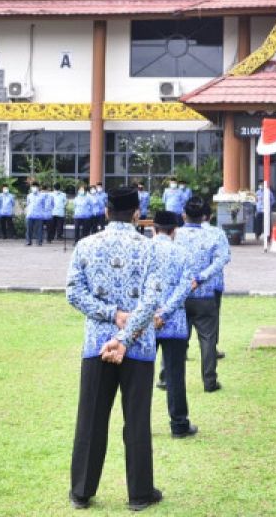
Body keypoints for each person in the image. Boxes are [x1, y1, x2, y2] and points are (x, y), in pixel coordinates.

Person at [65, 186, 164, 511]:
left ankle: (81, 490)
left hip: (97, 343)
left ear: (106, 211)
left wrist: (110, 316)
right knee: (136, 419)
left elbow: (73, 292)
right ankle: (139, 493)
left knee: (91, 418)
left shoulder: (86, 245)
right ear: (137, 214)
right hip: (138, 346)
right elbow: (151, 299)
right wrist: (125, 335)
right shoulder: (150, 248)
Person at [151, 210, 198, 438]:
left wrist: (152, 314)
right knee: (175, 375)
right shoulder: (182, 253)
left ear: (153, 228)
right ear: (174, 231)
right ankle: (179, 424)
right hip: (174, 323)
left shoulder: (143, 251)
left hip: (145, 322)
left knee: (139, 377)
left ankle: (138, 426)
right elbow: (185, 287)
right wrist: (166, 312)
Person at [178, 196, 229, 393]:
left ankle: (168, 377)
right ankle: (209, 381)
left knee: (176, 338)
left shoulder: (176, 235)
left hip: (179, 295)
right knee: (208, 339)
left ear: (184, 215)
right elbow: (223, 258)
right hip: (205, 293)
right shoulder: (214, 234)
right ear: (204, 217)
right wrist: (202, 277)